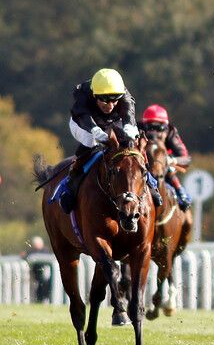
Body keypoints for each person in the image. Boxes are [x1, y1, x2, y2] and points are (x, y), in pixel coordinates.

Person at [58, 68, 161, 213]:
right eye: (105, 100)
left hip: (112, 122)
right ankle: (71, 181)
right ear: (94, 95)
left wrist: (130, 128)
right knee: (90, 141)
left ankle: (149, 181)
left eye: (115, 99)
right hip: (83, 123)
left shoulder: (124, 95)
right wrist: (94, 129)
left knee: (133, 143)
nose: (111, 105)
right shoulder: (83, 93)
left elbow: (128, 113)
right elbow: (81, 115)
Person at [139, 104, 193, 211]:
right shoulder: (137, 130)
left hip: (164, 169)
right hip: (141, 166)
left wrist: (171, 160)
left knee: (169, 169)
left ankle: (181, 193)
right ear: (144, 126)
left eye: (159, 128)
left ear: (166, 128)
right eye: (151, 128)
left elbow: (186, 158)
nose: (155, 133)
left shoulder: (171, 133)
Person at [22, 236, 51, 303]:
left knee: (43, 287)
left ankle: (42, 299)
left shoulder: (44, 251)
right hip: (37, 275)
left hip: (44, 276)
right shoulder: (33, 251)